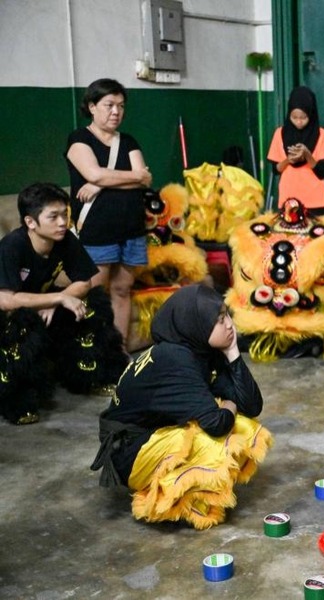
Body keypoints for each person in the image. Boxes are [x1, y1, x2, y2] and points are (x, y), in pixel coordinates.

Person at [90, 284, 272, 530]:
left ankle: (189, 488)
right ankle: (176, 503)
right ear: (195, 323)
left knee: (242, 424)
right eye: (219, 320)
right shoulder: (176, 360)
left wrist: (232, 353)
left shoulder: (199, 349)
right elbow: (216, 424)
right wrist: (228, 405)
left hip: (152, 433)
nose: (229, 324)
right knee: (213, 440)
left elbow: (251, 405)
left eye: (226, 314)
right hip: (129, 451)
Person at [0, 183, 127, 425]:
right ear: (31, 222)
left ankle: (91, 377)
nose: (63, 222)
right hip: (9, 315)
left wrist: (60, 301)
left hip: (41, 304)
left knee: (93, 305)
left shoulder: (65, 239)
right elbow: (6, 300)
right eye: (54, 216)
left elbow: (85, 281)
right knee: (18, 324)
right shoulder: (12, 246)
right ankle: (18, 404)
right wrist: (58, 298)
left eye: (65, 214)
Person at [65, 78, 153, 349]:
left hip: (132, 230)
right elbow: (94, 172)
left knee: (122, 290)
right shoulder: (79, 139)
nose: (116, 111)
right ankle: (96, 355)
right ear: (92, 107)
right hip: (97, 230)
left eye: (121, 106)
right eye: (109, 105)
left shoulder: (127, 141)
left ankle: (120, 351)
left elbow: (146, 179)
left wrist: (101, 182)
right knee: (96, 295)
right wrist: (110, 177)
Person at [267, 85, 324, 216]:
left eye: (303, 117)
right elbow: (276, 170)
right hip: (288, 199)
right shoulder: (279, 134)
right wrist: (288, 160)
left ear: (311, 114)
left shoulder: (323, 135)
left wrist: (307, 155)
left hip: (315, 200)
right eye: (294, 117)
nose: (298, 122)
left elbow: (321, 172)